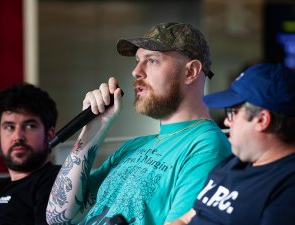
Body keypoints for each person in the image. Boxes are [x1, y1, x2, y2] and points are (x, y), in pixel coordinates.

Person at [46, 22, 231, 225]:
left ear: (191, 72)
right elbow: (58, 216)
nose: (136, 71)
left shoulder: (207, 147)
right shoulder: (133, 147)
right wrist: (92, 132)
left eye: (151, 60)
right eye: (137, 61)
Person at [176, 63, 295, 225]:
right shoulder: (231, 163)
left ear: (261, 120)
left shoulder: (287, 187)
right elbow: (186, 218)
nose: (226, 121)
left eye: (232, 113)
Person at [0, 83, 61, 225]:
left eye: (30, 126)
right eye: (9, 127)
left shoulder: (56, 180)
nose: (18, 136)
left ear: (49, 135)